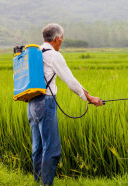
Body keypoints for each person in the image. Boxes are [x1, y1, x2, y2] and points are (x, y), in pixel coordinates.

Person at [27, 23, 103, 185]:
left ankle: (38, 181)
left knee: (38, 147)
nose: (61, 42)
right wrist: (89, 98)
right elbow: (71, 82)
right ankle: (46, 184)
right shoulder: (54, 55)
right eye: (61, 39)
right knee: (52, 149)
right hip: (46, 103)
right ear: (57, 39)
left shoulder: (35, 52)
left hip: (31, 104)